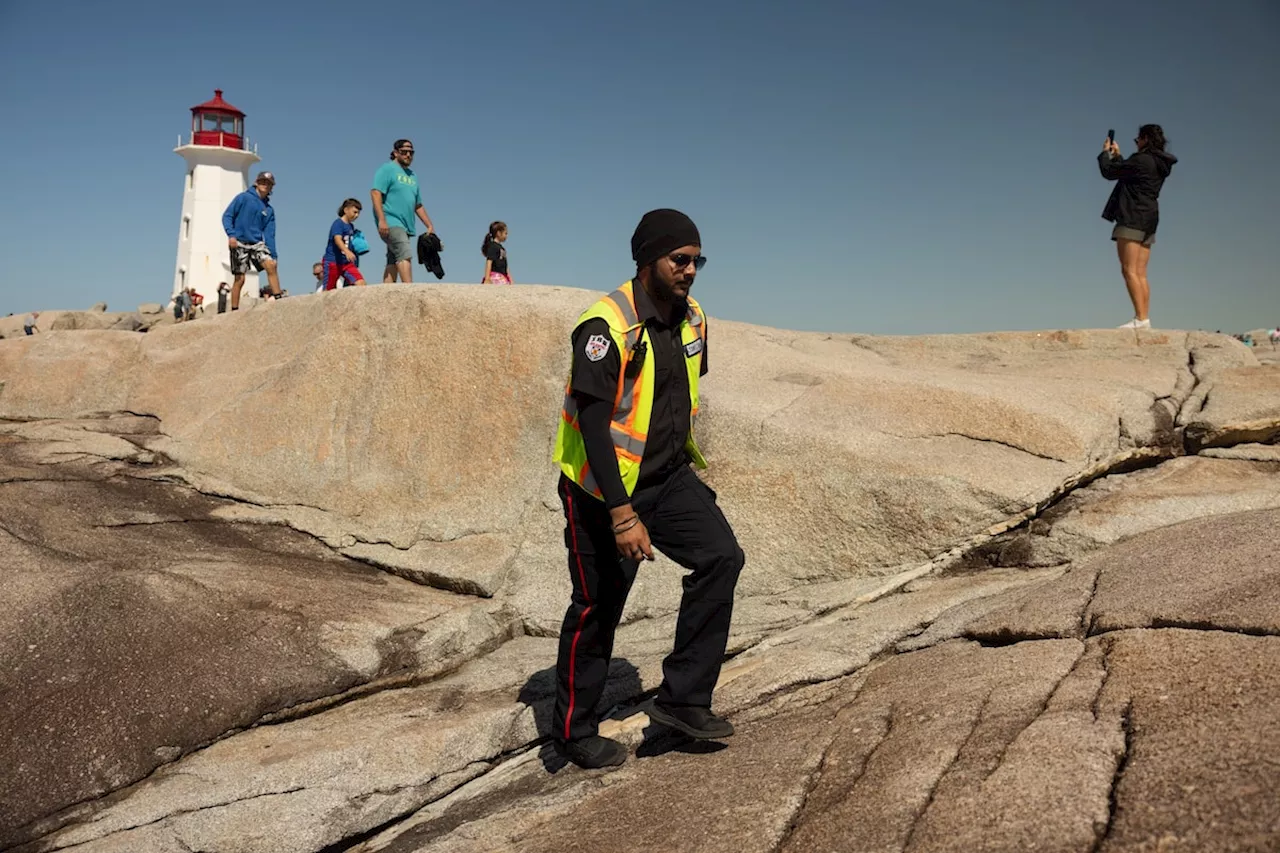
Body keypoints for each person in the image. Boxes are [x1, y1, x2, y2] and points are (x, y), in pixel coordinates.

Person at [550, 209, 744, 770]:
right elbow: (590, 422)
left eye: (696, 260)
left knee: (721, 558)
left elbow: (678, 393)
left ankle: (683, 700)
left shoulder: (694, 317)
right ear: (645, 259)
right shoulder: (605, 325)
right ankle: (573, 733)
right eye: (678, 259)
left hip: (666, 477)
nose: (690, 270)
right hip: (601, 488)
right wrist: (621, 513)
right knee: (598, 607)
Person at [1099, 125, 1177, 330]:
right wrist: (1119, 156)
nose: (1137, 142)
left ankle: (1140, 318)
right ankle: (1144, 318)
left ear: (1144, 139)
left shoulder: (1141, 160)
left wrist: (1105, 154)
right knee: (1141, 272)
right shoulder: (1159, 163)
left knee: (1129, 270)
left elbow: (1110, 172)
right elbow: (1127, 170)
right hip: (1150, 218)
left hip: (1132, 216)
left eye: (1137, 139)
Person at [370, 140, 436, 284]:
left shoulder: (413, 176)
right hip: (390, 220)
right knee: (404, 252)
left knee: (393, 259)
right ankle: (409, 291)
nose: (408, 155)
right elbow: (376, 193)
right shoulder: (387, 169)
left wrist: (429, 225)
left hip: (406, 224)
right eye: (404, 151)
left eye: (411, 152)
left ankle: (385, 295)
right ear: (395, 153)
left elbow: (417, 204)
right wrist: (382, 219)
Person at [223, 171, 283, 310]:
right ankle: (234, 310)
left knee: (270, 265)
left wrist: (274, 255)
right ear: (256, 182)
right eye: (262, 182)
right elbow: (227, 216)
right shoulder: (243, 198)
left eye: (268, 183)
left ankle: (279, 299)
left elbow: (270, 234)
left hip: (256, 243)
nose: (265, 185)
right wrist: (231, 235)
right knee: (240, 278)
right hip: (239, 241)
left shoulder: (268, 210)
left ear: (271, 187)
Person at [322, 199, 368, 291]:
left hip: (346, 263)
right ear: (346, 210)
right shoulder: (338, 223)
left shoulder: (350, 226)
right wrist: (347, 251)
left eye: (358, 213)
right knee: (328, 290)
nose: (356, 215)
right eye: (354, 212)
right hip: (332, 262)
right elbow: (337, 239)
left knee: (361, 282)